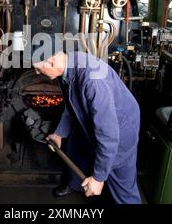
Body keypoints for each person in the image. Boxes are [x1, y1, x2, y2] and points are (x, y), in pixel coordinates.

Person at [29, 33, 141, 204]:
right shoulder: (67, 65)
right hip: (92, 121)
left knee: (122, 187)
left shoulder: (92, 81)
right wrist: (59, 134)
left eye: (38, 68)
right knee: (76, 148)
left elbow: (108, 134)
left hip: (120, 130)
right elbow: (71, 105)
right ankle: (75, 184)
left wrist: (98, 178)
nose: (37, 72)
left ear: (51, 61)